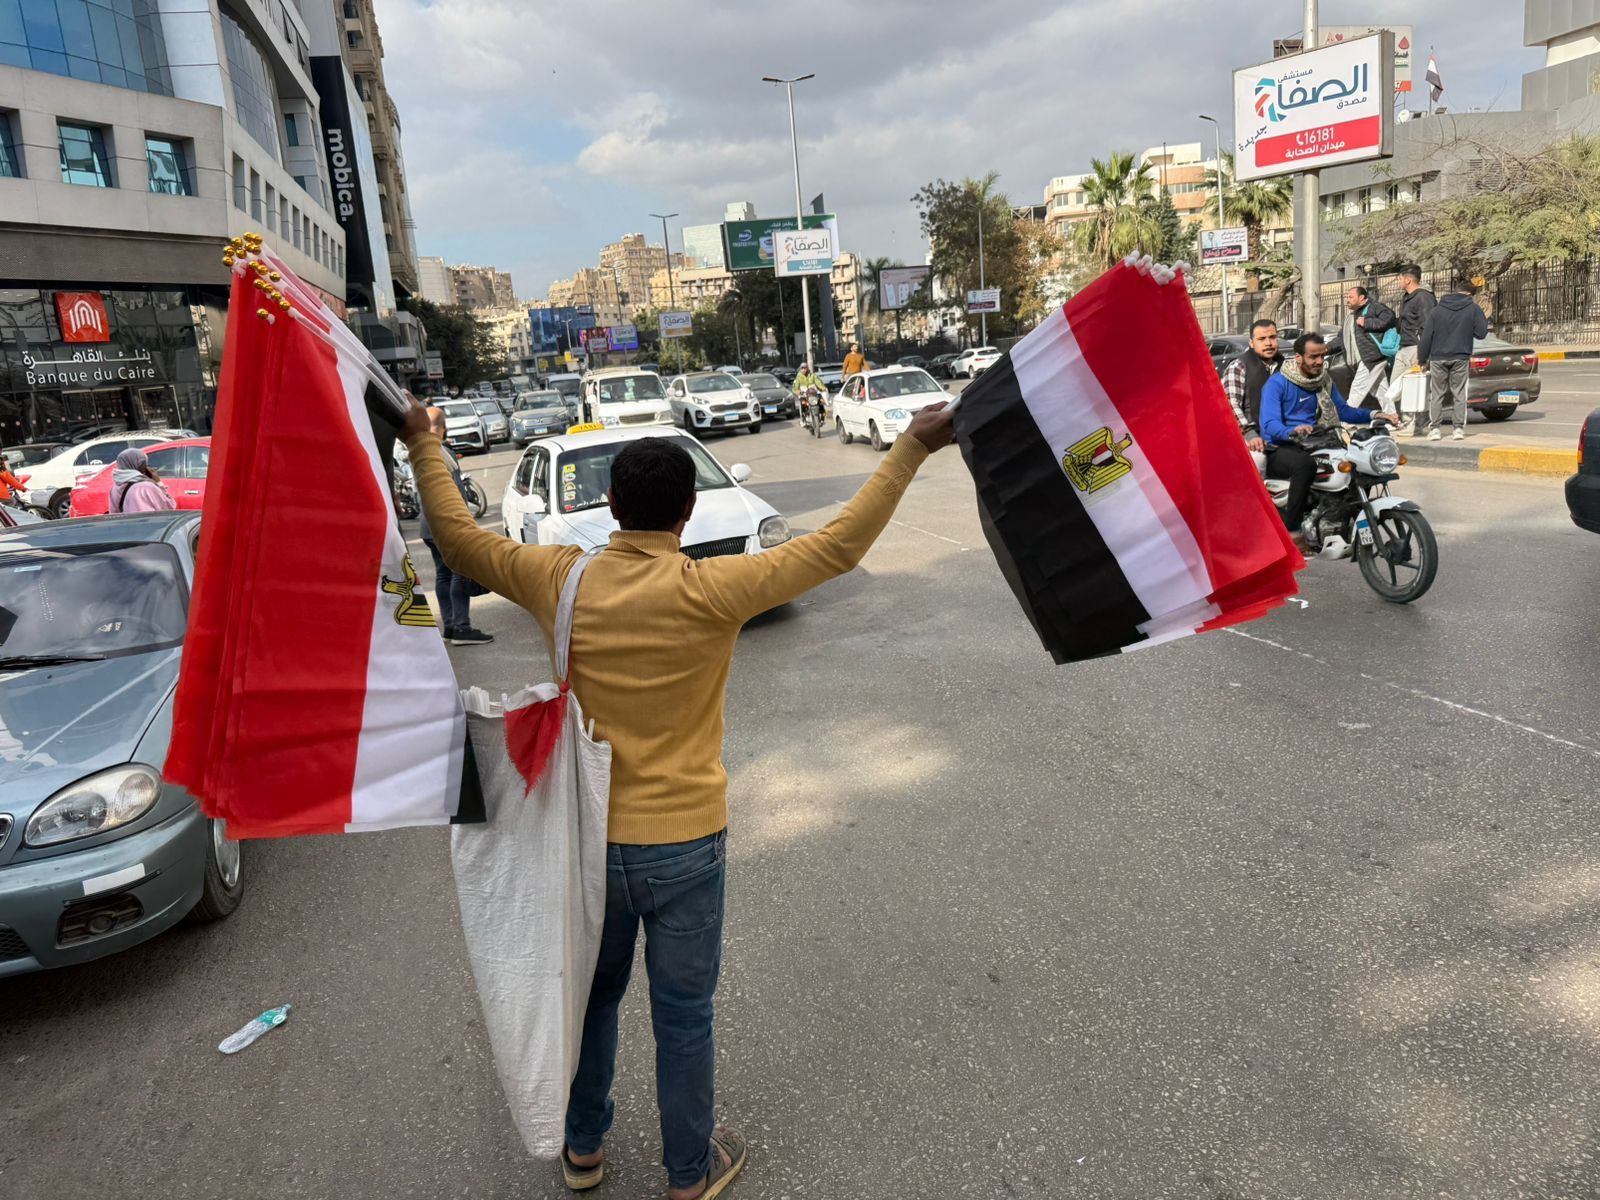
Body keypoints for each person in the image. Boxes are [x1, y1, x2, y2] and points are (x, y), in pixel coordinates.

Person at [402, 395, 957, 1200]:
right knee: (684, 1017)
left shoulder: (559, 578)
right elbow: (839, 546)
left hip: (589, 840)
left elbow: (455, 539)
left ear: (612, 506)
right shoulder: (715, 588)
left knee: (592, 1002)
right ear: (687, 512)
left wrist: (424, 443)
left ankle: (583, 1150)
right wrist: (911, 446)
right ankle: (689, 1174)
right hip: (688, 845)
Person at [1259, 333, 1397, 537]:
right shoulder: (1277, 383)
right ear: (1299, 358)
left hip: (1314, 441)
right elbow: (1269, 424)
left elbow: (1343, 410)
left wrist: (1374, 414)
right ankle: (1293, 531)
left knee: (1356, 463)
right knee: (1305, 465)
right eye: (1313, 357)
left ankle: (1341, 519)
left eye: (1322, 356)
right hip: (1281, 446)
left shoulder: (1323, 380)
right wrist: (1291, 431)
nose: (1319, 361)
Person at [417, 403, 492, 646]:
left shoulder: (423, 450)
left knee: (444, 574)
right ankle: (461, 628)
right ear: (443, 427)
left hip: (429, 525)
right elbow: (452, 493)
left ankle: (449, 626)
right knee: (459, 573)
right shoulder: (437, 452)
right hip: (446, 525)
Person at [1419, 279, 1489, 442]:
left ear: (1455, 291)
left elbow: (1426, 337)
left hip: (1438, 357)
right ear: (1470, 294)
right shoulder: (1473, 308)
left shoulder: (1437, 310)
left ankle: (1435, 429)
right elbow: (1481, 333)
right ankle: (1458, 429)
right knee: (1459, 393)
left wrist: (1422, 359)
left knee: (1437, 394)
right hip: (1460, 356)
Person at [1219, 319, 1284, 460]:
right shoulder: (1239, 366)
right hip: (1250, 437)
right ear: (1251, 343)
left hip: (1283, 435)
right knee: (1258, 459)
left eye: (1272, 337)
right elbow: (1230, 405)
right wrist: (1249, 433)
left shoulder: (1285, 366)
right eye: (1262, 339)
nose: (1268, 343)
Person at [1339, 285, 1398, 413]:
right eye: (1347, 297)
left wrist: (1367, 322)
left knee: (1357, 389)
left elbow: (1390, 318)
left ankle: (1346, 419)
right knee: (1380, 390)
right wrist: (1326, 348)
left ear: (1361, 297)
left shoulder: (1374, 307)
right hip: (1369, 358)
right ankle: (1393, 416)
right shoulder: (1352, 316)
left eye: (1351, 297)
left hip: (1371, 358)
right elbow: (1341, 339)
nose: (1347, 300)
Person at [1393, 265, 1436, 435]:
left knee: (1416, 388)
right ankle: (1408, 422)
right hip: (1404, 346)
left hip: (1416, 347)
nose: (1398, 281)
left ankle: (1417, 424)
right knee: (1397, 386)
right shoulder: (1407, 297)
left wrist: (1423, 353)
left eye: (1400, 278)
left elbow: (1427, 325)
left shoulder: (1424, 297)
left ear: (1408, 279)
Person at [107, 447, 176, 513]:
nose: (146, 465)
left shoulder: (116, 487)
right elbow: (170, 507)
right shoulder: (146, 486)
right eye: (144, 462)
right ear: (140, 464)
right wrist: (158, 482)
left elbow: (114, 513)